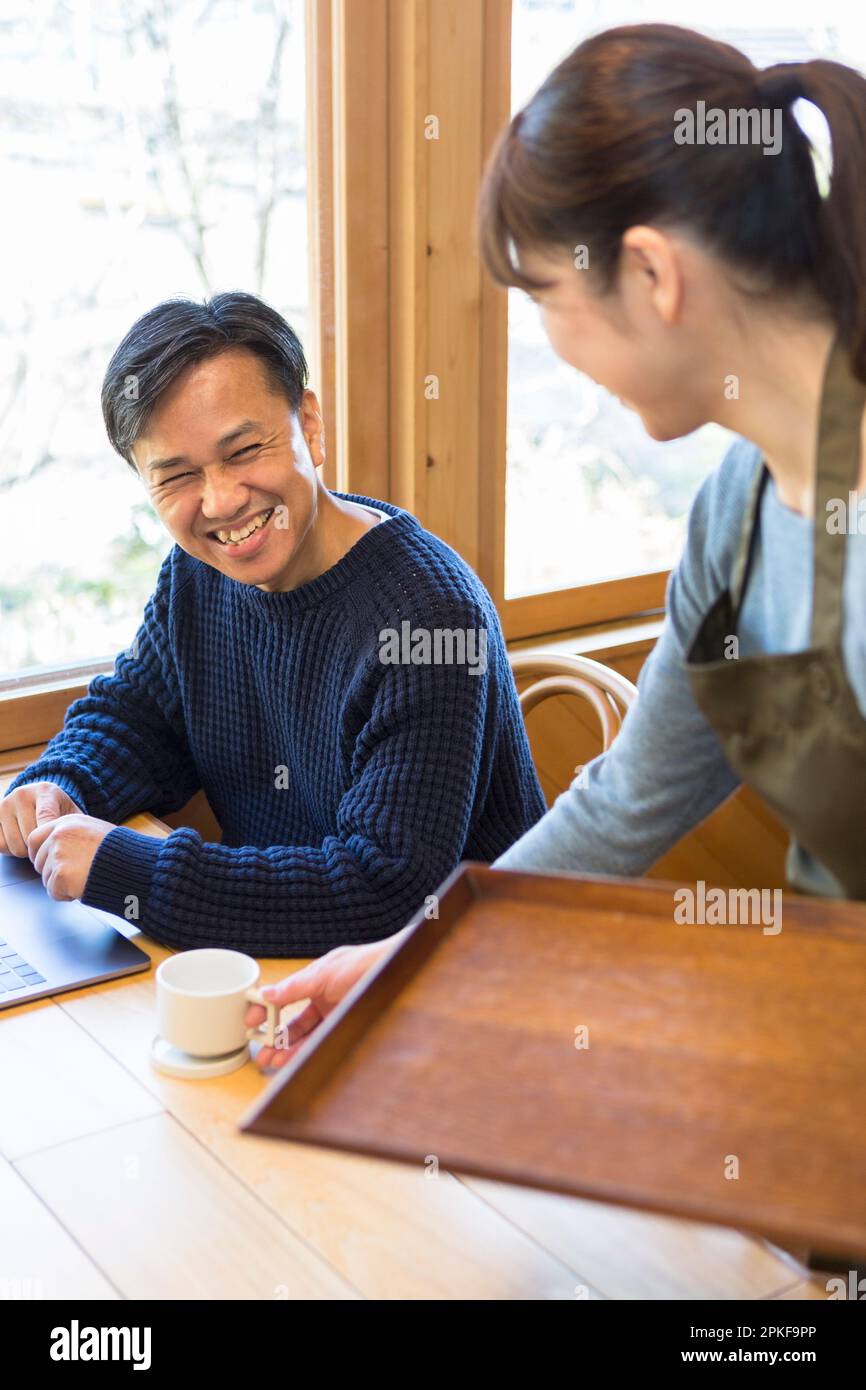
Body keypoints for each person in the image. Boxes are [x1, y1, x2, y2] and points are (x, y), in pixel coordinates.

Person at [247, 22, 866, 1064]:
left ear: (649, 273)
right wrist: (406, 953)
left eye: (542, 295)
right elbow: (627, 802)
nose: (549, 341)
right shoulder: (736, 513)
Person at [0, 293, 546, 953]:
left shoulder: (429, 622)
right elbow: (140, 717)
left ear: (309, 425)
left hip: (464, 979)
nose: (222, 501)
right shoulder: (199, 575)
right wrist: (62, 783)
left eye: (243, 451)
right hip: (287, 969)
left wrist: (130, 870)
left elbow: (384, 890)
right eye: (177, 477)